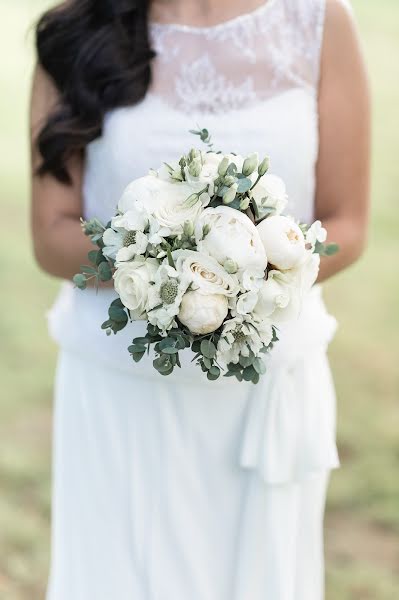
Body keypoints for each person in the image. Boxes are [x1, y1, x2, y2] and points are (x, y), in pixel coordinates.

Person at [30, 1, 370, 598]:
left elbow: (348, 222)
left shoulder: (319, 23)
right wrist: (165, 268)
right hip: (121, 395)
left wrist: (253, 278)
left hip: (266, 389)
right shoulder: (76, 31)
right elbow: (53, 233)